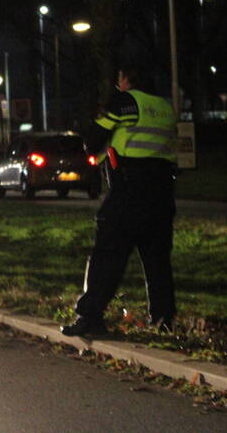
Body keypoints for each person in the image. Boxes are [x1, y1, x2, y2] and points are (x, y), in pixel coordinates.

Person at [62, 65, 178, 337]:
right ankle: (163, 321)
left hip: (129, 190)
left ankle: (90, 318)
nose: (118, 85)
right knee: (158, 261)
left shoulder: (126, 101)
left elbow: (93, 140)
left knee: (107, 256)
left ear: (126, 79)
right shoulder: (164, 107)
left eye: (119, 80)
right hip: (162, 193)